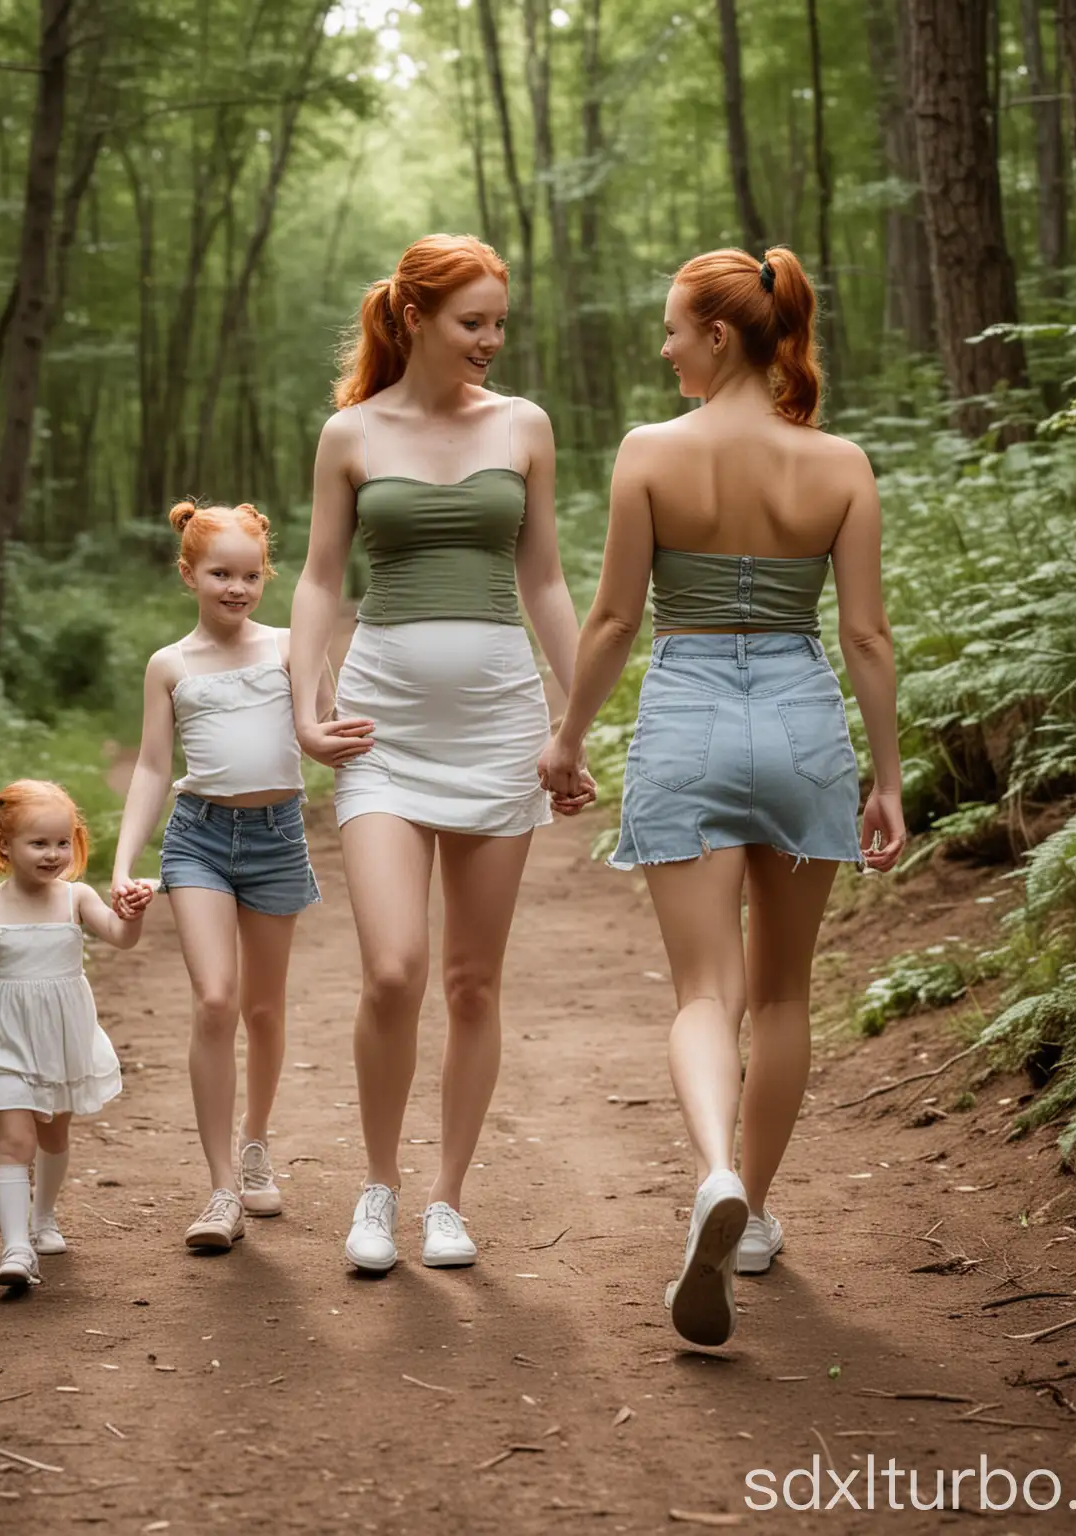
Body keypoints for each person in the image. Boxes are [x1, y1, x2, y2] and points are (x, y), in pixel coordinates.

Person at [538, 246, 905, 1346]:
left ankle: (712, 1175)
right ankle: (754, 1213)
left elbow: (608, 624)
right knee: (785, 996)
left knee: (707, 992)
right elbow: (866, 635)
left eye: (670, 329)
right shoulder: (840, 464)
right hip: (800, 722)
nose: (662, 348)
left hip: (691, 717)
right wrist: (885, 775)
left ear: (716, 337)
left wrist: (566, 741)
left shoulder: (651, 453)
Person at [287, 233, 595, 1275]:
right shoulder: (351, 434)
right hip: (381, 730)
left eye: (500, 323)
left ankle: (448, 1200)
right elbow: (322, 580)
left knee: (471, 981)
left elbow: (547, 580)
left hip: (502, 728)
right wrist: (305, 700)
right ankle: (376, 1190)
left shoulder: (525, 426)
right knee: (392, 970)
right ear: (415, 318)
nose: (491, 341)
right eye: (473, 322)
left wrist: (575, 723)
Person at [111, 500, 327, 1253]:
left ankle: (256, 1141)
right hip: (198, 839)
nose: (236, 588)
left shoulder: (294, 647)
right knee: (215, 1000)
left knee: (264, 1011)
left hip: (276, 841)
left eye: (249, 575)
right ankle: (221, 1189)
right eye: (220, 574)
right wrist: (122, 862)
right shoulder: (170, 665)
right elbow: (150, 766)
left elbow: (325, 729)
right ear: (189, 574)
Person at [0, 780, 141, 1288]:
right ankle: (16, 1247)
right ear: (3, 843)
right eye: (38, 844)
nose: (53, 855)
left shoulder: (76, 898)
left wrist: (133, 915)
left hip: (60, 1039)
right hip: (3, 1039)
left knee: (53, 1135)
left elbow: (121, 938)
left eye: (62, 843)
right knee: (14, 1142)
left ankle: (43, 1217)